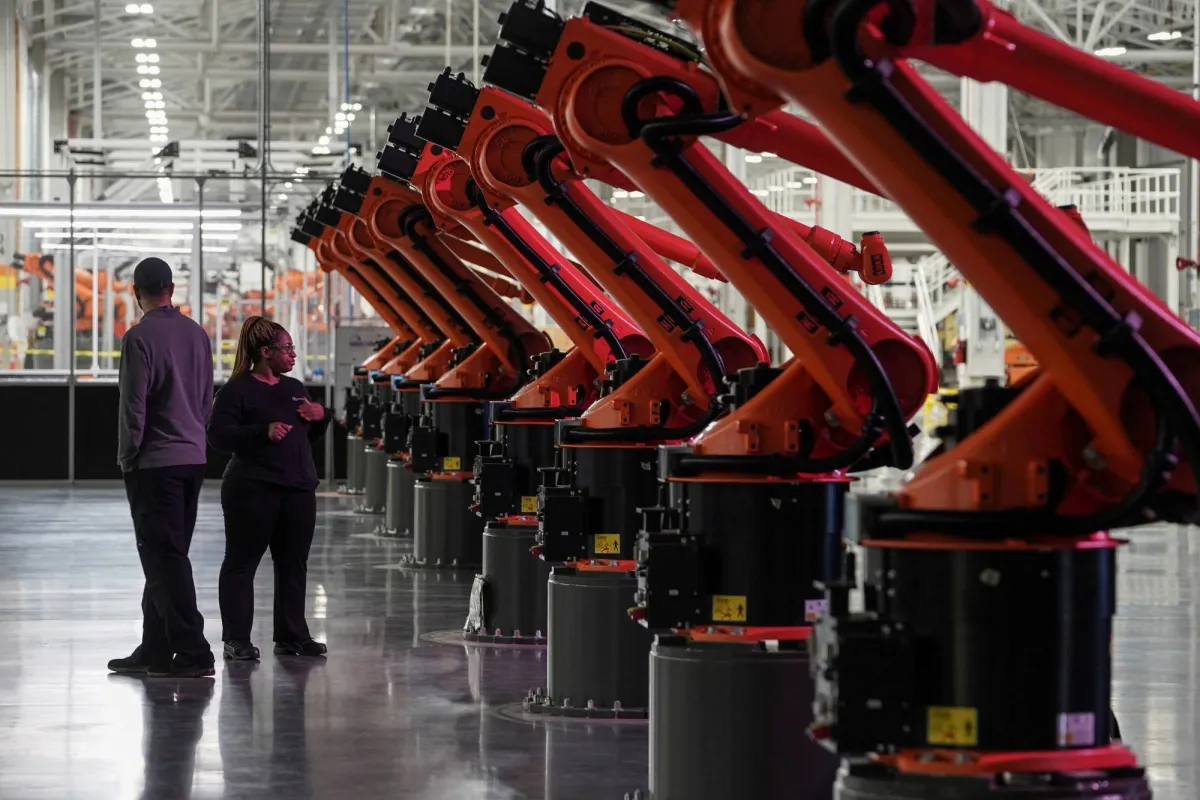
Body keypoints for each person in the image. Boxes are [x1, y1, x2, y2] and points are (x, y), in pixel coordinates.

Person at [109, 257, 215, 678]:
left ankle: (193, 651)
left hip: (155, 463)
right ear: (172, 289)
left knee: (164, 558)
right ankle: (154, 649)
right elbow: (206, 399)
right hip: (193, 459)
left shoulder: (138, 338)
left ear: (136, 293)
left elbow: (133, 406)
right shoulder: (197, 334)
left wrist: (127, 456)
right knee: (167, 556)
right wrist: (193, 436)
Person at [207, 316, 331, 661]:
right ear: (266, 352)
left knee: (293, 563)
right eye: (287, 347)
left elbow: (305, 439)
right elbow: (217, 436)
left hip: (297, 489)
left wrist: (320, 416)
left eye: (292, 348)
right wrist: (261, 431)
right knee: (242, 563)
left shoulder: (294, 388)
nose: (293, 354)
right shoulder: (236, 391)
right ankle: (236, 639)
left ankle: (292, 636)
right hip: (252, 489)